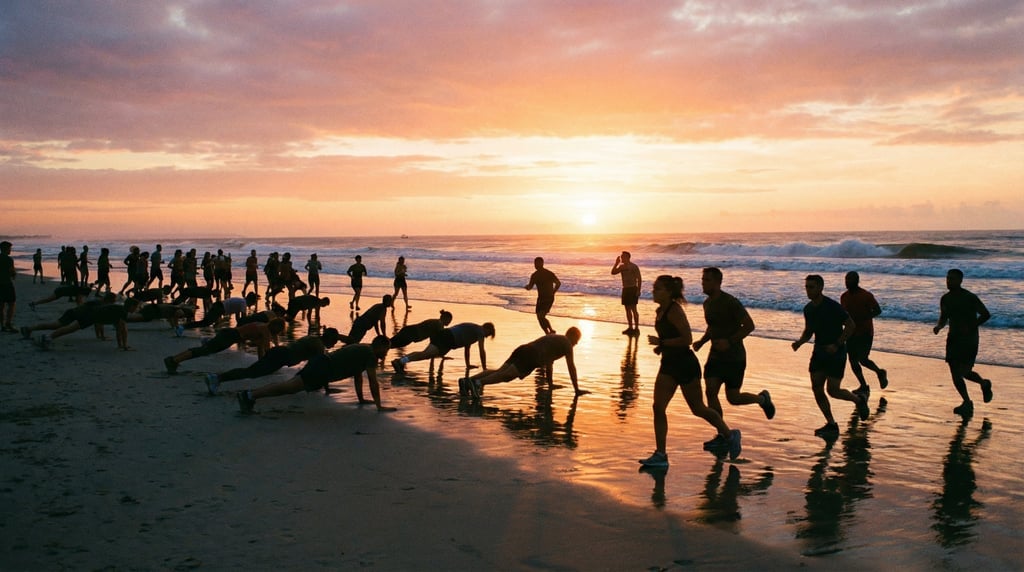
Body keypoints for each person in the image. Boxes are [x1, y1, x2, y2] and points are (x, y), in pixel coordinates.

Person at [638, 275, 741, 468]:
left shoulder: (674, 310)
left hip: (685, 365)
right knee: (658, 407)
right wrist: (661, 348)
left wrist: (662, 343)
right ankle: (661, 454)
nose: (653, 291)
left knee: (698, 409)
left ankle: (729, 434)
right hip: (668, 364)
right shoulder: (660, 310)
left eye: (658, 289)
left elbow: (686, 339)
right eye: (654, 288)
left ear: (668, 292)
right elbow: (671, 337)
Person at [693, 267, 774, 451]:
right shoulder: (707, 304)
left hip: (734, 357)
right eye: (703, 279)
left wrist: (730, 341)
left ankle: (762, 400)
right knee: (711, 392)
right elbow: (712, 328)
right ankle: (723, 434)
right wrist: (702, 341)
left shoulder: (730, 302)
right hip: (715, 356)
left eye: (707, 280)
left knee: (734, 398)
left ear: (717, 282)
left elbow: (750, 325)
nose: (703, 283)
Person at [792, 274, 869, 438]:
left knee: (833, 390)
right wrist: (800, 342)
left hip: (837, 352)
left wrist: (837, 344)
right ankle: (831, 424)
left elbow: (850, 325)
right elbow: (809, 330)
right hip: (819, 352)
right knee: (816, 387)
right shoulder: (809, 309)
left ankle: (859, 400)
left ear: (820, 288)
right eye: (806, 287)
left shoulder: (833, 306)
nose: (808, 290)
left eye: (811, 287)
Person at [236, 335, 396, 413]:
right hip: (322, 368)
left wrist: (361, 399)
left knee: (290, 386)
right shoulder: (370, 355)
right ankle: (250, 395)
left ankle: (250, 396)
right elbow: (373, 382)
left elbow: (358, 376)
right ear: (380, 346)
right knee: (289, 387)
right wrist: (379, 406)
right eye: (386, 349)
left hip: (321, 363)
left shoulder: (364, 350)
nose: (386, 354)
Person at [205, 327, 341, 394]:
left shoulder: (314, 339)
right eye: (334, 342)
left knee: (251, 372)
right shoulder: (318, 347)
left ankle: (217, 378)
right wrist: (326, 388)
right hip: (281, 356)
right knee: (251, 373)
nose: (334, 345)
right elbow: (318, 367)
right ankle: (217, 378)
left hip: (280, 353)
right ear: (329, 339)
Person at [460, 328, 585, 398]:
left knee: (500, 371)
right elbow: (571, 367)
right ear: (572, 336)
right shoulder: (566, 344)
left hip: (523, 349)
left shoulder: (556, 338)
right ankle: (478, 383)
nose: (577, 343)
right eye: (577, 340)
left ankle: (467, 381)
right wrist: (577, 389)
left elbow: (549, 363)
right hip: (531, 357)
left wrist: (550, 384)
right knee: (505, 376)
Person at [933, 268, 993, 417]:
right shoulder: (945, 298)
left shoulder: (970, 297)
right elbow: (944, 317)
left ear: (960, 281)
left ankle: (984, 383)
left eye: (952, 279)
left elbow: (986, 314)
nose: (949, 281)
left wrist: (971, 326)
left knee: (964, 372)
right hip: (953, 338)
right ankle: (967, 402)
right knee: (955, 373)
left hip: (969, 339)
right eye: (947, 278)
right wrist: (939, 327)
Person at [163, 319, 285, 374]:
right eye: (279, 331)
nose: (278, 333)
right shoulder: (265, 331)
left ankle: (174, 360)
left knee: (204, 350)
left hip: (228, 333)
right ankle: (173, 360)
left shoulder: (262, 325)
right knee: (203, 351)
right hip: (230, 337)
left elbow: (260, 347)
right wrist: (264, 366)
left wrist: (261, 362)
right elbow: (264, 350)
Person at [840, 271, 888, 395]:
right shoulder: (844, 296)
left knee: (863, 359)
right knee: (852, 360)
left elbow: (878, 310)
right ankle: (863, 385)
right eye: (846, 279)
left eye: (850, 280)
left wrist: (865, 316)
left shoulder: (866, 295)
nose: (847, 282)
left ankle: (880, 372)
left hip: (865, 332)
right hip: (851, 332)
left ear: (857, 281)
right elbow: (842, 315)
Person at [392, 321, 495, 374]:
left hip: (446, 337)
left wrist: (468, 365)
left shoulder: (474, 332)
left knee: (426, 354)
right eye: (489, 333)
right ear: (486, 328)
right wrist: (485, 369)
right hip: (447, 337)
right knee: (425, 354)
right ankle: (400, 361)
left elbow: (467, 349)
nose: (487, 336)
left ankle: (401, 361)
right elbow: (482, 351)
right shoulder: (480, 331)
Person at [526, 256, 560, 334]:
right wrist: (527, 287)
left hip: (548, 298)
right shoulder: (535, 275)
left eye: (537, 263)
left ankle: (550, 331)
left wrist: (553, 292)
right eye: (535, 263)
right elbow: (530, 287)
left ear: (542, 263)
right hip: (542, 298)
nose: (535, 265)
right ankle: (548, 332)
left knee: (541, 316)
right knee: (540, 317)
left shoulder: (547, 274)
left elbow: (558, 283)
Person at [611, 251, 642, 335]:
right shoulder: (621, 267)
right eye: (621, 257)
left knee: (633, 309)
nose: (621, 258)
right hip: (625, 289)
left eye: (623, 257)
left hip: (632, 289)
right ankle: (630, 327)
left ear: (627, 257)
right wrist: (616, 263)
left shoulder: (634, 266)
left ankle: (636, 328)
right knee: (627, 309)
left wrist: (638, 290)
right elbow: (613, 272)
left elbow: (639, 279)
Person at [0, 241, 16, 332]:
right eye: (10, 248)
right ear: (6, 249)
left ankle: (2, 325)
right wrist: (14, 274)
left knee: (1, 306)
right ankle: (8, 323)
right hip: (7, 284)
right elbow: (12, 272)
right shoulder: (9, 259)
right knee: (11, 304)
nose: (10, 250)